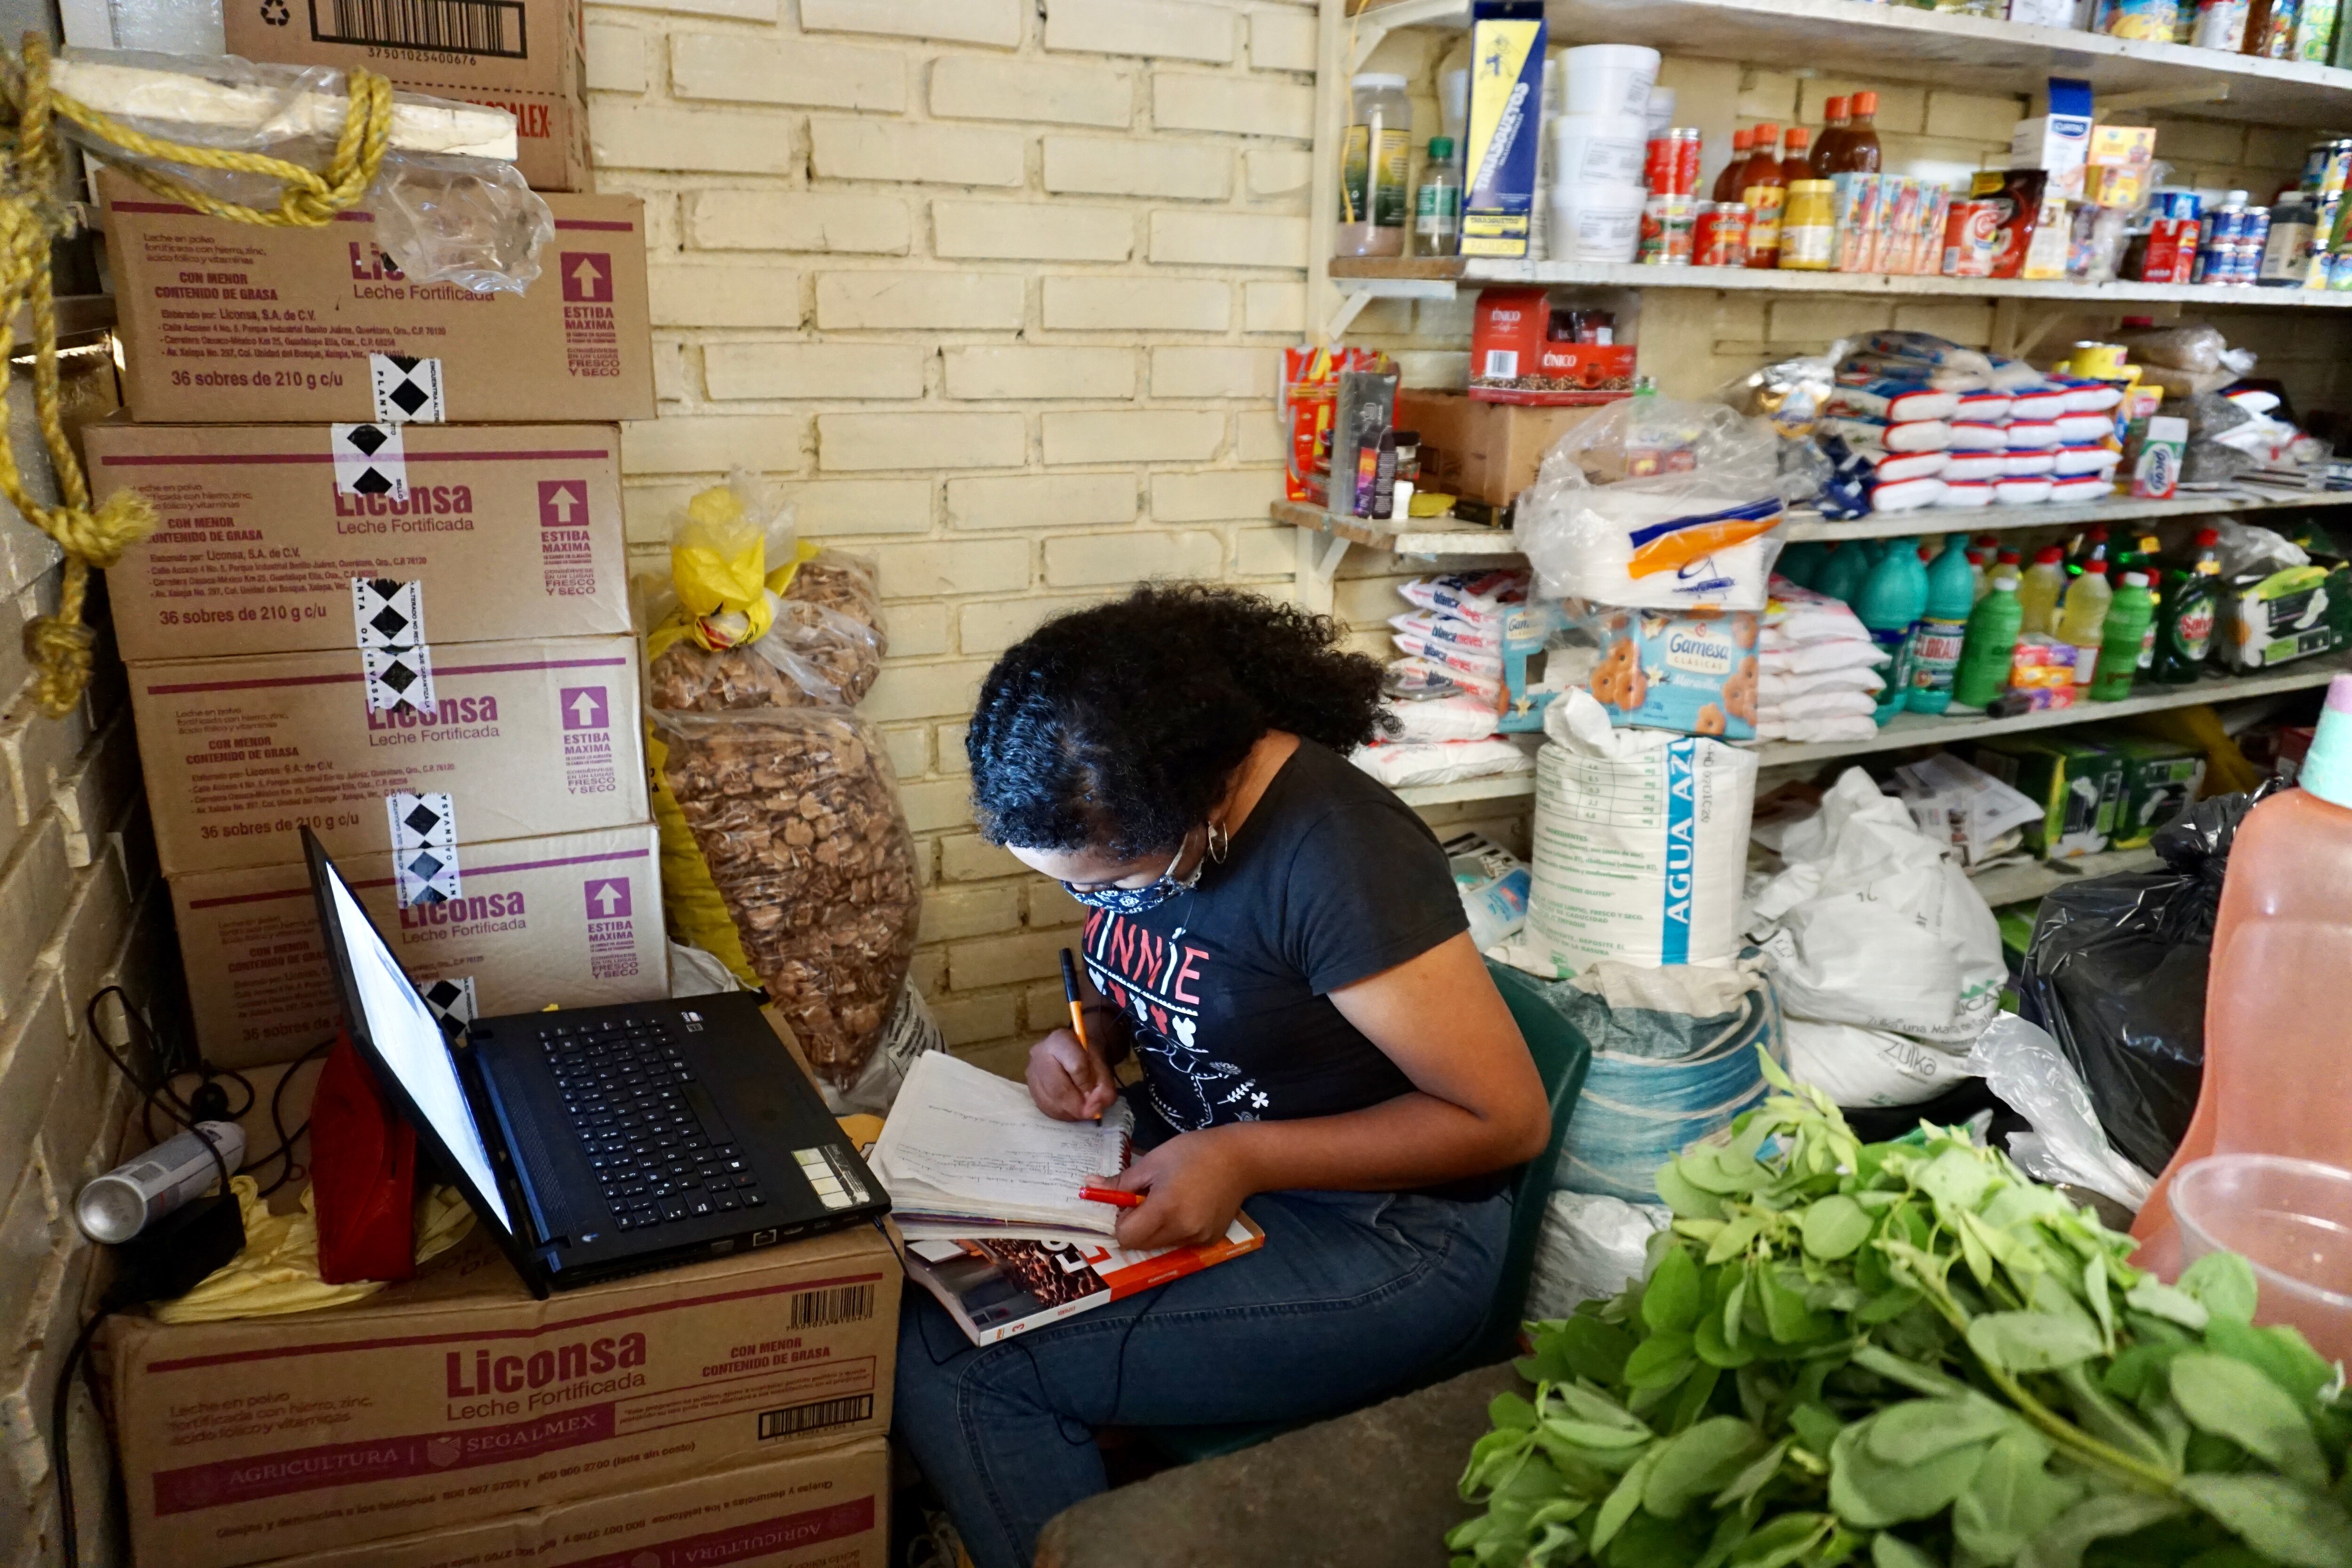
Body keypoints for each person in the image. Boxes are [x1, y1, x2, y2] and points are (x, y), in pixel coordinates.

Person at [895, 584, 1549, 1568]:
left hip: (1385, 1232)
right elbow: (1162, 973)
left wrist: (1241, 1153)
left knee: (961, 1365)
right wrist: (1082, 1042)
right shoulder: (1140, 812)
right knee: (915, 1288)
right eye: (1069, 885)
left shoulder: (1339, 858)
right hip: (1202, 1161)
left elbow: (1505, 1120)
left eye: (1106, 882)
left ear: (1198, 802)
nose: (1092, 900)